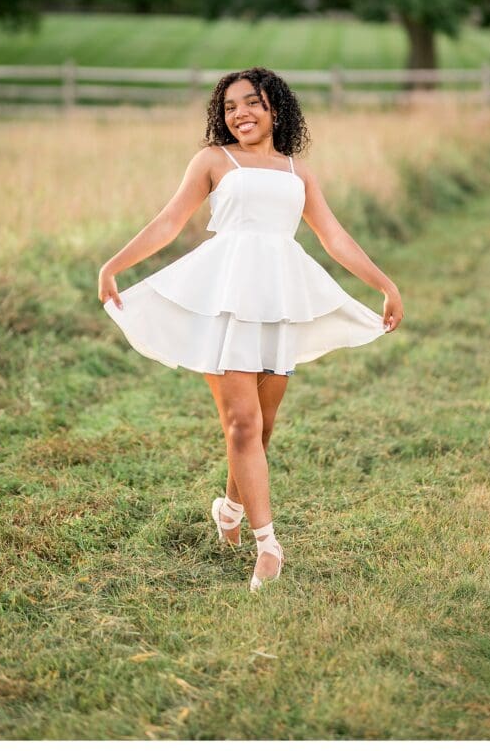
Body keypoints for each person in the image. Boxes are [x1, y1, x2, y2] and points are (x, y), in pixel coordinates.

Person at [98, 67, 404, 592]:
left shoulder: (297, 172)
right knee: (240, 424)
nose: (239, 113)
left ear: (275, 111)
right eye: (230, 106)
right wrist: (114, 264)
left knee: (261, 427)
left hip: (278, 297)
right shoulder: (214, 161)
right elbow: (169, 221)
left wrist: (385, 284)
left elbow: (333, 238)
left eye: (251, 104)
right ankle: (269, 547)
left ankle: (232, 508)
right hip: (225, 294)